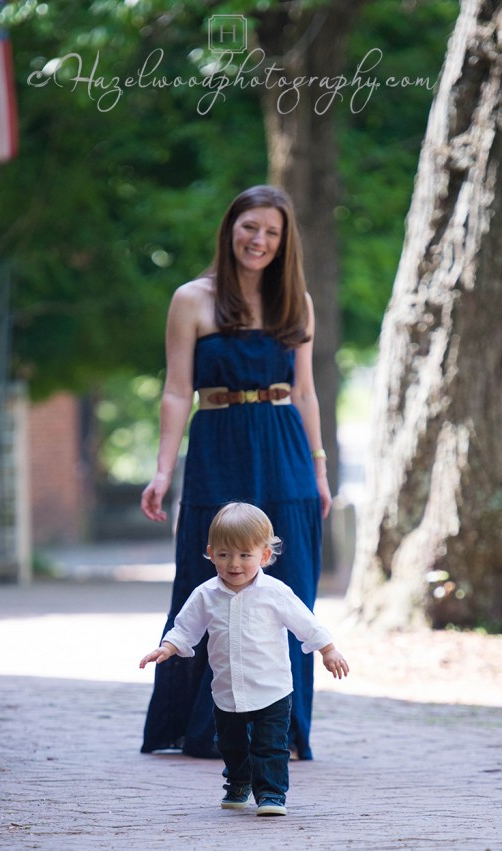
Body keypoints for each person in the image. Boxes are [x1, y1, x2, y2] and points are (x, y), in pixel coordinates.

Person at [140, 184, 332, 760]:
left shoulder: (294, 299)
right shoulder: (192, 299)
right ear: (231, 229)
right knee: (209, 584)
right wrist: (162, 470)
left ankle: (284, 731)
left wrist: (319, 469)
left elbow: (305, 391)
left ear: (283, 242)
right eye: (251, 227)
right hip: (217, 445)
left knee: (289, 585)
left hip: (285, 450)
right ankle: (205, 729)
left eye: (272, 232)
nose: (259, 240)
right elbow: (177, 392)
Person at [140, 503, 349, 815]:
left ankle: (271, 795)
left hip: (272, 688)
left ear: (264, 556)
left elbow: (306, 623)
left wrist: (328, 650)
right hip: (227, 691)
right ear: (211, 553)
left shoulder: (275, 593)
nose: (233, 564)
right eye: (224, 555)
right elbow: (186, 628)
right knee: (231, 745)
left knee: (271, 746)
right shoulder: (205, 595)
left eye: (244, 555)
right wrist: (168, 647)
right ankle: (239, 782)